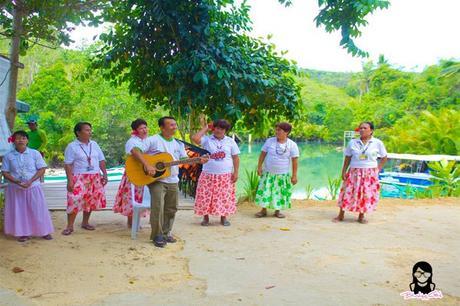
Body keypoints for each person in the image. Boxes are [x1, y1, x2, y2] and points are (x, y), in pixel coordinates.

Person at [144, 116, 207, 247]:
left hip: (173, 179)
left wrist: (197, 160)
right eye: (171, 125)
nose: (174, 127)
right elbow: (136, 151)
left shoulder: (178, 144)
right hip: (157, 179)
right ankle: (157, 235)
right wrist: (147, 165)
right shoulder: (152, 140)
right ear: (162, 127)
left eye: (175, 124)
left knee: (171, 208)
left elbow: (184, 160)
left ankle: (166, 233)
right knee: (158, 208)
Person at [1, 131, 54, 242]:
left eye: (23, 138)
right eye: (18, 138)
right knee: (20, 211)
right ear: (13, 141)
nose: (21, 140)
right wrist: (16, 181)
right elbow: (5, 172)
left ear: (27, 140)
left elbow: (42, 169)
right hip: (15, 188)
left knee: (38, 209)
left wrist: (30, 181)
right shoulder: (8, 156)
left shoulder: (35, 153)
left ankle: (44, 231)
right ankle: (23, 233)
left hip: (33, 187)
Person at [334, 121, 388, 224]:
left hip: (369, 173)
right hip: (354, 171)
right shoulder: (352, 142)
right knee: (347, 192)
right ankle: (341, 215)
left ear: (371, 131)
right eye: (360, 128)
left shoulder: (377, 143)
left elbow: (384, 157)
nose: (362, 130)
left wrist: (378, 169)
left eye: (365, 128)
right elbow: (348, 157)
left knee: (365, 194)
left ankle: (361, 216)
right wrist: (344, 171)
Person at [191, 118, 240, 226]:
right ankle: (205, 218)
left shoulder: (230, 142)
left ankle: (224, 217)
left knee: (224, 197)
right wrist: (206, 128)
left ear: (225, 130)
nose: (218, 131)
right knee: (206, 196)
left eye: (222, 129)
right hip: (208, 174)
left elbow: (235, 158)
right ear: (214, 128)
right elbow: (195, 138)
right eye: (217, 128)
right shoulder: (207, 140)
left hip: (225, 176)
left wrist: (236, 172)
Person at [61, 122, 108, 235]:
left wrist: (105, 175)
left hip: (95, 176)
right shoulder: (72, 146)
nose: (89, 132)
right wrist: (70, 180)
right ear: (78, 132)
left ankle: (85, 222)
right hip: (79, 177)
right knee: (74, 199)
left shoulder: (94, 144)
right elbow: (68, 164)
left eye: (90, 130)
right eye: (86, 130)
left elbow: (101, 160)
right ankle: (70, 226)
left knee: (90, 200)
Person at [113, 118, 153, 227]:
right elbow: (135, 152)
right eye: (141, 128)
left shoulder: (148, 140)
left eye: (145, 127)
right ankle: (131, 222)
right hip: (134, 173)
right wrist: (147, 164)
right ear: (135, 131)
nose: (144, 130)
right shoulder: (132, 141)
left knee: (143, 196)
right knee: (132, 197)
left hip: (146, 173)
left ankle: (139, 221)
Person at [255, 122, 299, 218]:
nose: (276, 131)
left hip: (282, 175)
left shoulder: (292, 145)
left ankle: (277, 211)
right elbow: (262, 154)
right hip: (268, 173)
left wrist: (294, 175)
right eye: (276, 129)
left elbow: (295, 161)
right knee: (265, 191)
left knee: (279, 193)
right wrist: (259, 167)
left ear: (286, 132)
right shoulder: (270, 141)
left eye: (279, 130)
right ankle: (263, 210)